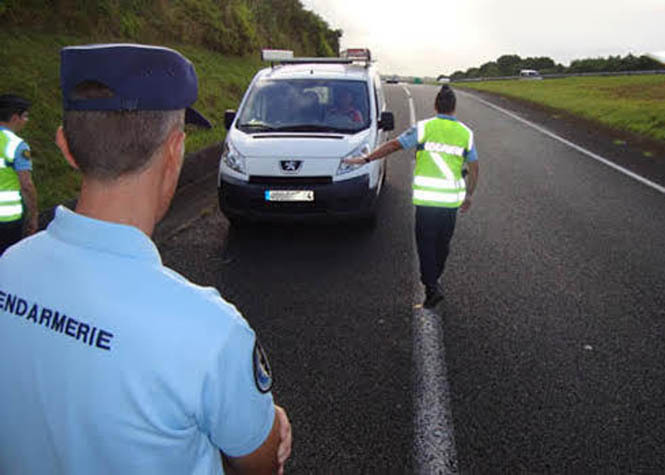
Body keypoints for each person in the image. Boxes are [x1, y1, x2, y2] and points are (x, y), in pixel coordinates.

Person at [0, 44, 292, 474]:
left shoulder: (9, 268)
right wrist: (272, 425)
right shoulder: (211, 331)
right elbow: (261, 464)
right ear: (175, 151)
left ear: (65, 147)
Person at [344, 85, 479, 308]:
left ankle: (431, 286)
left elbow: (393, 145)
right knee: (442, 245)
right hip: (449, 203)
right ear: (454, 108)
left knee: (425, 244)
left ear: (436, 105)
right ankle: (435, 280)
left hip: (427, 202)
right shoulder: (466, 134)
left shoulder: (423, 128)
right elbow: (474, 168)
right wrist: (469, 195)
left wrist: (367, 159)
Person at [0, 94, 38, 254]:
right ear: (15, 118)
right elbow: (26, 185)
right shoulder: (17, 146)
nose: (26, 121)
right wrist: (34, 214)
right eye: (25, 116)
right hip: (7, 219)